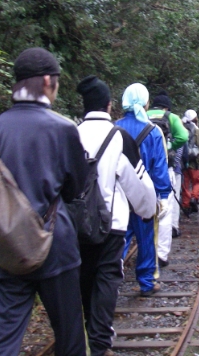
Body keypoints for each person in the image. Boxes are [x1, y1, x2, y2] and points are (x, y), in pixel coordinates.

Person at [0, 48, 89, 356]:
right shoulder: (63, 127)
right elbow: (75, 188)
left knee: (1, 338)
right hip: (54, 246)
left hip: (5, 243)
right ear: (46, 81)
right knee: (69, 336)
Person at [76, 76, 157, 356]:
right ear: (109, 106)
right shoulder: (119, 138)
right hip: (112, 224)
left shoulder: (70, 134)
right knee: (107, 278)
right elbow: (138, 184)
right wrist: (147, 211)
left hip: (78, 224)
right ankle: (100, 344)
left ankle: (85, 335)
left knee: (84, 278)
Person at [116, 83, 170, 297]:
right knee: (146, 237)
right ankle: (147, 282)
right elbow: (159, 166)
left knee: (120, 236)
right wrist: (163, 195)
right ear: (146, 102)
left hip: (120, 194)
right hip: (145, 195)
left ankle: (111, 280)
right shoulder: (153, 131)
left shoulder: (114, 127)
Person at [147, 91, 188, 267]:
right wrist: (168, 145)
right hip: (165, 167)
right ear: (166, 107)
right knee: (165, 210)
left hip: (142, 168)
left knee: (143, 211)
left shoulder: (143, 114)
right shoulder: (171, 117)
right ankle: (161, 254)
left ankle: (146, 250)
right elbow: (184, 137)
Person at [181, 110, 199, 215]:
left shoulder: (181, 129)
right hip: (195, 162)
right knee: (197, 182)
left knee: (185, 184)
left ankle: (185, 205)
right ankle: (194, 198)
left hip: (184, 161)